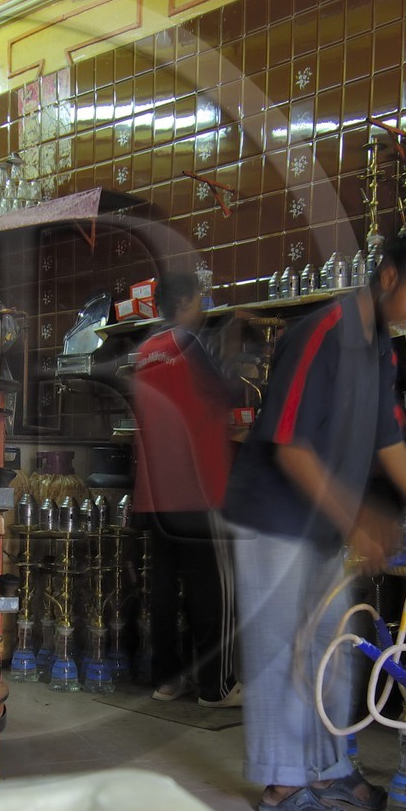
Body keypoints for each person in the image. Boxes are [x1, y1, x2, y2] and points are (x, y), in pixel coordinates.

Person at [222, 230, 406, 811]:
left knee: (331, 645)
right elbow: (290, 445)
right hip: (273, 517)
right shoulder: (323, 331)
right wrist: (360, 517)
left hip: (321, 524)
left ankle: (327, 764)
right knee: (279, 650)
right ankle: (281, 783)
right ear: (390, 276)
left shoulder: (380, 349)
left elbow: (387, 438)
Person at [131, 271, 243, 708]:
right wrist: (239, 356)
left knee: (163, 588)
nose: (204, 305)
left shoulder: (144, 352)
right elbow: (227, 391)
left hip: (155, 492)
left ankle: (167, 680)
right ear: (188, 301)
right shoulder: (190, 344)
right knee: (210, 589)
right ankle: (217, 687)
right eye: (201, 299)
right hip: (199, 489)